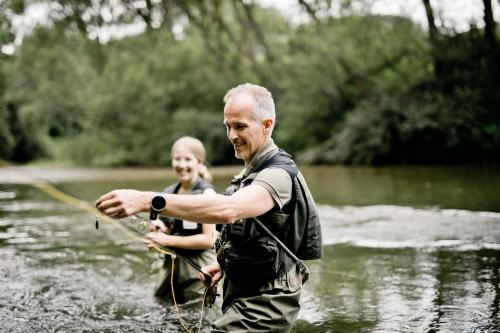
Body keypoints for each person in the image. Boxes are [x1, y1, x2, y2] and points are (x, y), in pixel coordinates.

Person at [96, 83, 322, 332]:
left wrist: (145, 200)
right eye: (228, 126)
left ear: (267, 125)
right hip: (244, 294)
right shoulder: (250, 172)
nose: (231, 136)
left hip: (266, 302)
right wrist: (224, 266)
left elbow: (228, 209)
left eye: (240, 126)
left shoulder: (278, 174)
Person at [146, 136, 217, 302]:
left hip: (199, 271)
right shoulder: (168, 193)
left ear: (199, 163)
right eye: (177, 159)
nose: (182, 165)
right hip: (171, 270)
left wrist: (166, 239)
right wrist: (158, 228)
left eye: (187, 159)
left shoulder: (207, 194)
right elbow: (168, 228)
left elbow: (209, 240)